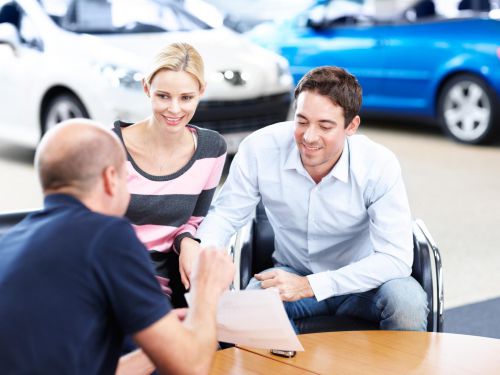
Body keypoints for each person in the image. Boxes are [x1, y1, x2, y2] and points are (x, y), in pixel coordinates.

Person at [197, 66, 429, 332]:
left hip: (366, 282)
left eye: (325, 126)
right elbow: (225, 215)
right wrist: (203, 252)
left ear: (351, 126)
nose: (309, 137)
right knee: (254, 310)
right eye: (302, 121)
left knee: (407, 302)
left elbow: (395, 258)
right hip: (291, 272)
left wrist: (312, 286)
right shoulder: (260, 149)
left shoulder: (378, 165)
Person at [0, 119, 234, 374]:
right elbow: (191, 367)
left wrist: (155, 348)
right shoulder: (106, 234)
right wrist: (206, 293)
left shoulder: (10, 241)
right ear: (111, 178)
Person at [112, 42, 227, 308]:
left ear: (201, 92)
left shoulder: (211, 149)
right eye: (163, 96)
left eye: (186, 98)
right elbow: (88, 227)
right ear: (146, 88)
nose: (175, 110)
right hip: (111, 273)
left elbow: (195, 221)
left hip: (162, 286)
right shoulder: (110, 145)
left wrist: (187, 240)